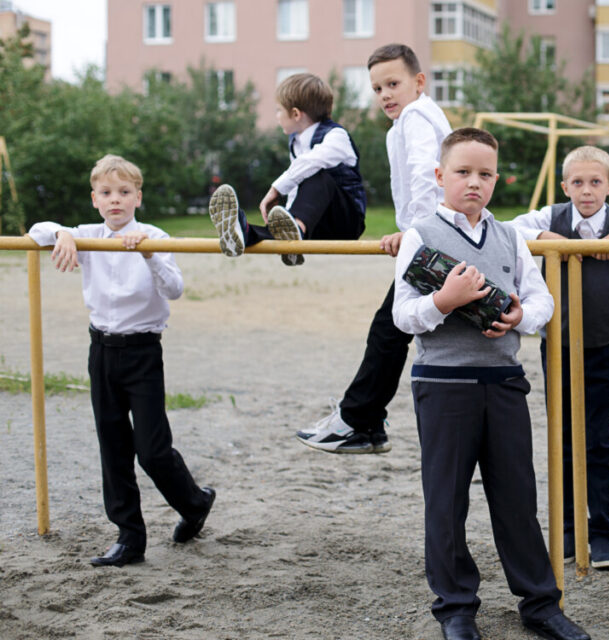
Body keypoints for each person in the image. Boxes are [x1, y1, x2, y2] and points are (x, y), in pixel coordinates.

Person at [392, 128, 589, 640]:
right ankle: (456, 608)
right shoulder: (420, 235)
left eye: (484, 174)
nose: (474, 182)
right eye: (462, 172)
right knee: (446, 497)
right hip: (443, 382)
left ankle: (541, 604)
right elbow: (402, 316)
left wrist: (522, 315)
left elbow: (542, 300)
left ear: (497, 179)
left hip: (504, 380)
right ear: (440, 177)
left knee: (516, 496)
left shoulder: (509, 237)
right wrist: (445, 300)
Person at [28, 155, 215, 567]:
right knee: (112, 446)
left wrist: (148, 254)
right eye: (107, 193)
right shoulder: (87, 234)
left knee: (151, 449)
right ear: (95, 199)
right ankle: (130, 537)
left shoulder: (152, 235)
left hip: (142, 352)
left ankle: (195, 502)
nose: (116, 200)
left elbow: (176, 289)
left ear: (137, 197)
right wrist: (62, 233)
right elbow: (35, 231)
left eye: (124, 193)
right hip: (101, 352)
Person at [296, 43, 452, 454]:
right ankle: (365, 421)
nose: (385, 94)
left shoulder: (417, 116)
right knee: (391, 329)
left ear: (419, 82)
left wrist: (415, 232)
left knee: (389, 330)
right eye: (377, 88)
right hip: (430, 235)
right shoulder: (402, 124)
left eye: (393, 83)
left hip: (433, 238)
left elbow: (425, 176)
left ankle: (358, 420)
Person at [509, 145, 609, 570]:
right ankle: (569, 532)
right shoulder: (550, 218)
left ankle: (601, 532)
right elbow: (509, 228)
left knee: (597, 440)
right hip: (557, 346)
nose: (587, 191)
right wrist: (548, 240)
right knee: (562, 440)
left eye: (596, 182)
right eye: (577, 182)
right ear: (564, 186)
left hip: (605, 346)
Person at [209, 72, 366, 266]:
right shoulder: (296, 142)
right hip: (314, 224)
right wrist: (287, 216)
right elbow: (297, 188)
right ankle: (244, 233)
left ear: (295, 114)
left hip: (345, 223)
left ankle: (296, 232)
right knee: (299, 190)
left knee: (316, 172)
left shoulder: (336, 136)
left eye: (278, 110)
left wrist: (276, 189)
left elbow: (310, 164)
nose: (276, 116)